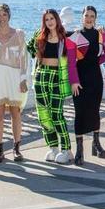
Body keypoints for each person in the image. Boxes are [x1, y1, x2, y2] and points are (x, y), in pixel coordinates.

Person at [0, 4, 29, 163]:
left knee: (16, 113)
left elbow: (24, 59)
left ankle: (17, 149)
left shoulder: (19, 34)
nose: (0, 18)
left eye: (3, 14)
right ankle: (0, 150)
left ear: (9, 15)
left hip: (15, 79)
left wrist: (23, 79)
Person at [67, 6, 105, 166]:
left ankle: (96, 143)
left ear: (95, 18)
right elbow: (71, 63)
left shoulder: (103, 35)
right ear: (82, 17)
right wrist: (73, 81)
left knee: (95, 111)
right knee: (80, 112)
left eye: (92, 16)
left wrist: (95, 62)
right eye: (86, 15)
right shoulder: (74, 37)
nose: (89, 18)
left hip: (95, 77)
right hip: (79, 78)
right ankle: (80, 149)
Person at [28, 9, 73, 164]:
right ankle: (53, 147)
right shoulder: (39, 37)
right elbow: (29, 50)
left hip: (57, 78)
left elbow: (82, 40)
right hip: (41, 76)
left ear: (57, 19)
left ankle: (66, 149)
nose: (50, 21)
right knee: (43, 115)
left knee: (56, 115)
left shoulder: (65, 37)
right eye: (46, 19)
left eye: (52, 18)